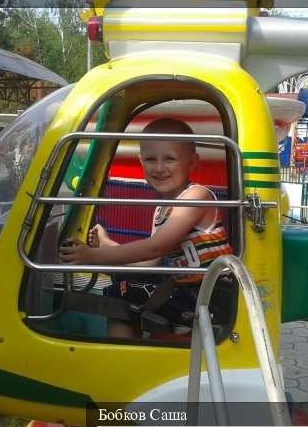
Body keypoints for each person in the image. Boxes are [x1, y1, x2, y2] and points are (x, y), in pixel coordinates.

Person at [59, 117, 232, 338]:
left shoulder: (197, 196)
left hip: (213, 295)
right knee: (123, 286)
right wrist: (107, 244)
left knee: (119, 294)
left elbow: (155, 248)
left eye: (169, 159)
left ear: (191, 163)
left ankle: (122, 362)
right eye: (151, 159)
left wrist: (93, 255)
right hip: (189, 293)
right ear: (141, 162)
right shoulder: (161, 209)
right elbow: (149, 263)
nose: (159, 168)